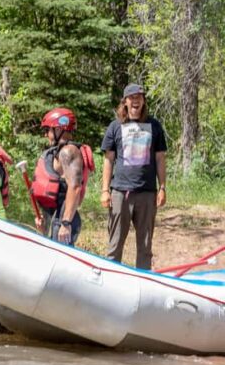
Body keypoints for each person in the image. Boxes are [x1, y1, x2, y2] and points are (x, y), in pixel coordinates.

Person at [100, 84, 167, 269]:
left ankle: (143, 283)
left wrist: (162, 187)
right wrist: (105, 190)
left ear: (143, 101)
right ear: (125, 102)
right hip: (120, 192)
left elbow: (160, 158)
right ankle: (111, 281)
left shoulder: (154, 126)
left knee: (145, 247)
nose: (136, 100)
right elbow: (108, 159)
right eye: (132, 97)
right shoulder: (115, 126)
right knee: (114, 245)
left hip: (147, 194)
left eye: (139, 97)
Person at [30, 107, 95, 246]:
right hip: (55, 217)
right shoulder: (58, 152)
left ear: (59, 129)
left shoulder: (69, 152)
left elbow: (75, 187)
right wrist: (44, 219)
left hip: (63, 220)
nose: (46, 135)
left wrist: (65, 223)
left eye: (48, 130)